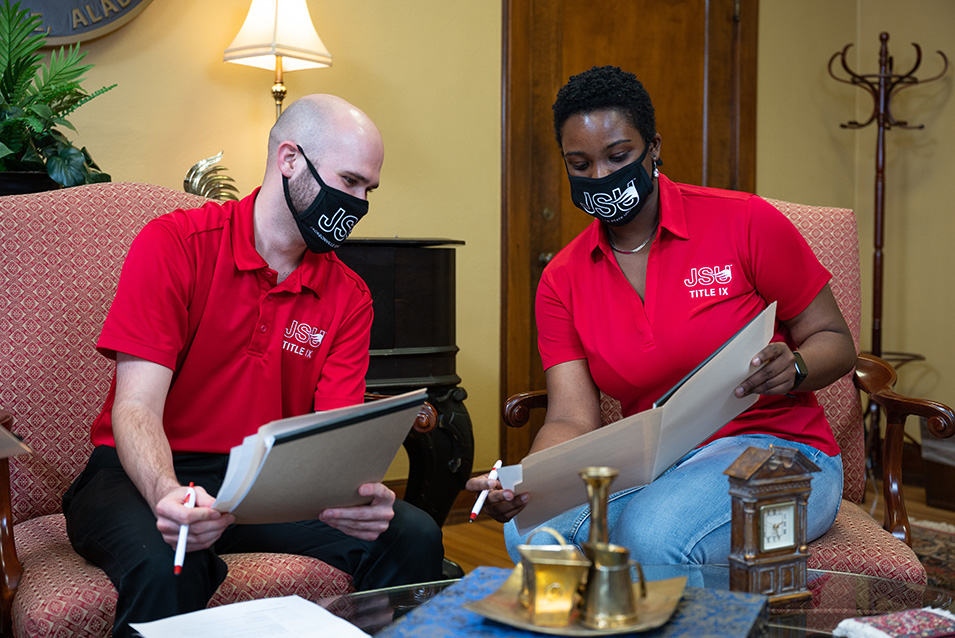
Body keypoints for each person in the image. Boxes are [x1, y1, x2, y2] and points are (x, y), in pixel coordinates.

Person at [62, 94, 444, 637]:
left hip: (269, 485)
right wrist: (167, 493)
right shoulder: (175, 245)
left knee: (414, 533)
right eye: (350, 181)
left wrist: (359, 495)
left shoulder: (349, 295)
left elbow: (331, 437)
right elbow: (135, 407)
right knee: (169, 561)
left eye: (368, 190)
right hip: (137, 473)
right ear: (289, 159)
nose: (359, 203)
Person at [467, 66, 856, 565]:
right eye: (580, 164)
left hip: (782, 450)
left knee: (652, 536)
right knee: (531, 533)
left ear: (653, 148)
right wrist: (532, 482)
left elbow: (834, 339)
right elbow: (569, 417)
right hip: (658, 464)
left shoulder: (744, 221)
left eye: (618, 156)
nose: (601, 177)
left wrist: (796, 367)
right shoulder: (562, 278)